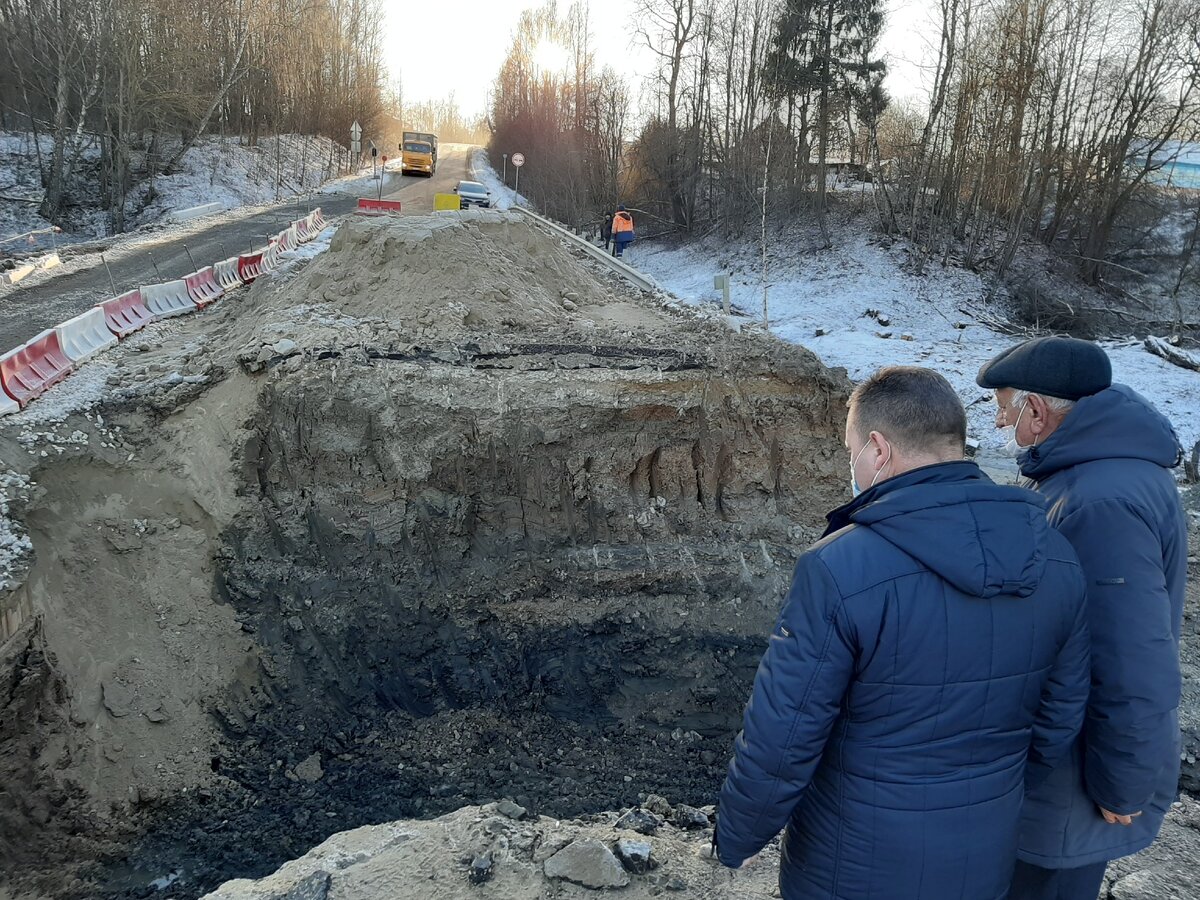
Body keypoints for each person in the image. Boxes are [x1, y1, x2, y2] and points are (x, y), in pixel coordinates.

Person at [714, 366, 1091, 900]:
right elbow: (1061, 714)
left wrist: (736, 837)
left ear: (878, 448)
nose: (854, 466)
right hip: (983, 852)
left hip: (851, 861)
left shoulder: (839, 568)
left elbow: (784, 735)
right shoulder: (1056, 557)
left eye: (852, 451)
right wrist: (992, 792)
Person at [976, 336, 1187, 900]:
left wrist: (1124, 784)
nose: (1000, 424)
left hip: (1072, 788)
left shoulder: (1097, 502)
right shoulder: (1102, 472)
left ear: (1037, 411)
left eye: (1003, 407)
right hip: (1069, 773)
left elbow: (1130, 658)